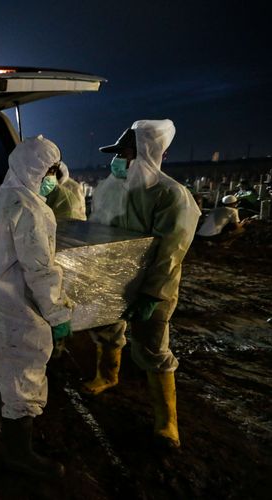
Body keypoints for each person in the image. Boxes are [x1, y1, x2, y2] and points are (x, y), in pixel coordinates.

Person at [84, 119, 200, 449]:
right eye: (118, 154)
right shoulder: (110, 188)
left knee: (151, 345)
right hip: (111, 278)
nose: (119, 160)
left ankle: (167, 423)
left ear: (150, 154)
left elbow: (170, 252)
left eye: (126, 154)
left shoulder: (171, 195)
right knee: (108, 328)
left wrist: (152, 293)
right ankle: (107, 375)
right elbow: (98, 230)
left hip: (151, 284)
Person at [0, 136, 72, 478]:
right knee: (23, 382)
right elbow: (40, 269)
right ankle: (18, 455)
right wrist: (57, 314)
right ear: (37, 169)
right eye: (51, 171)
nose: (53, 180)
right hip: (14, 312)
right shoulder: (31, 208)